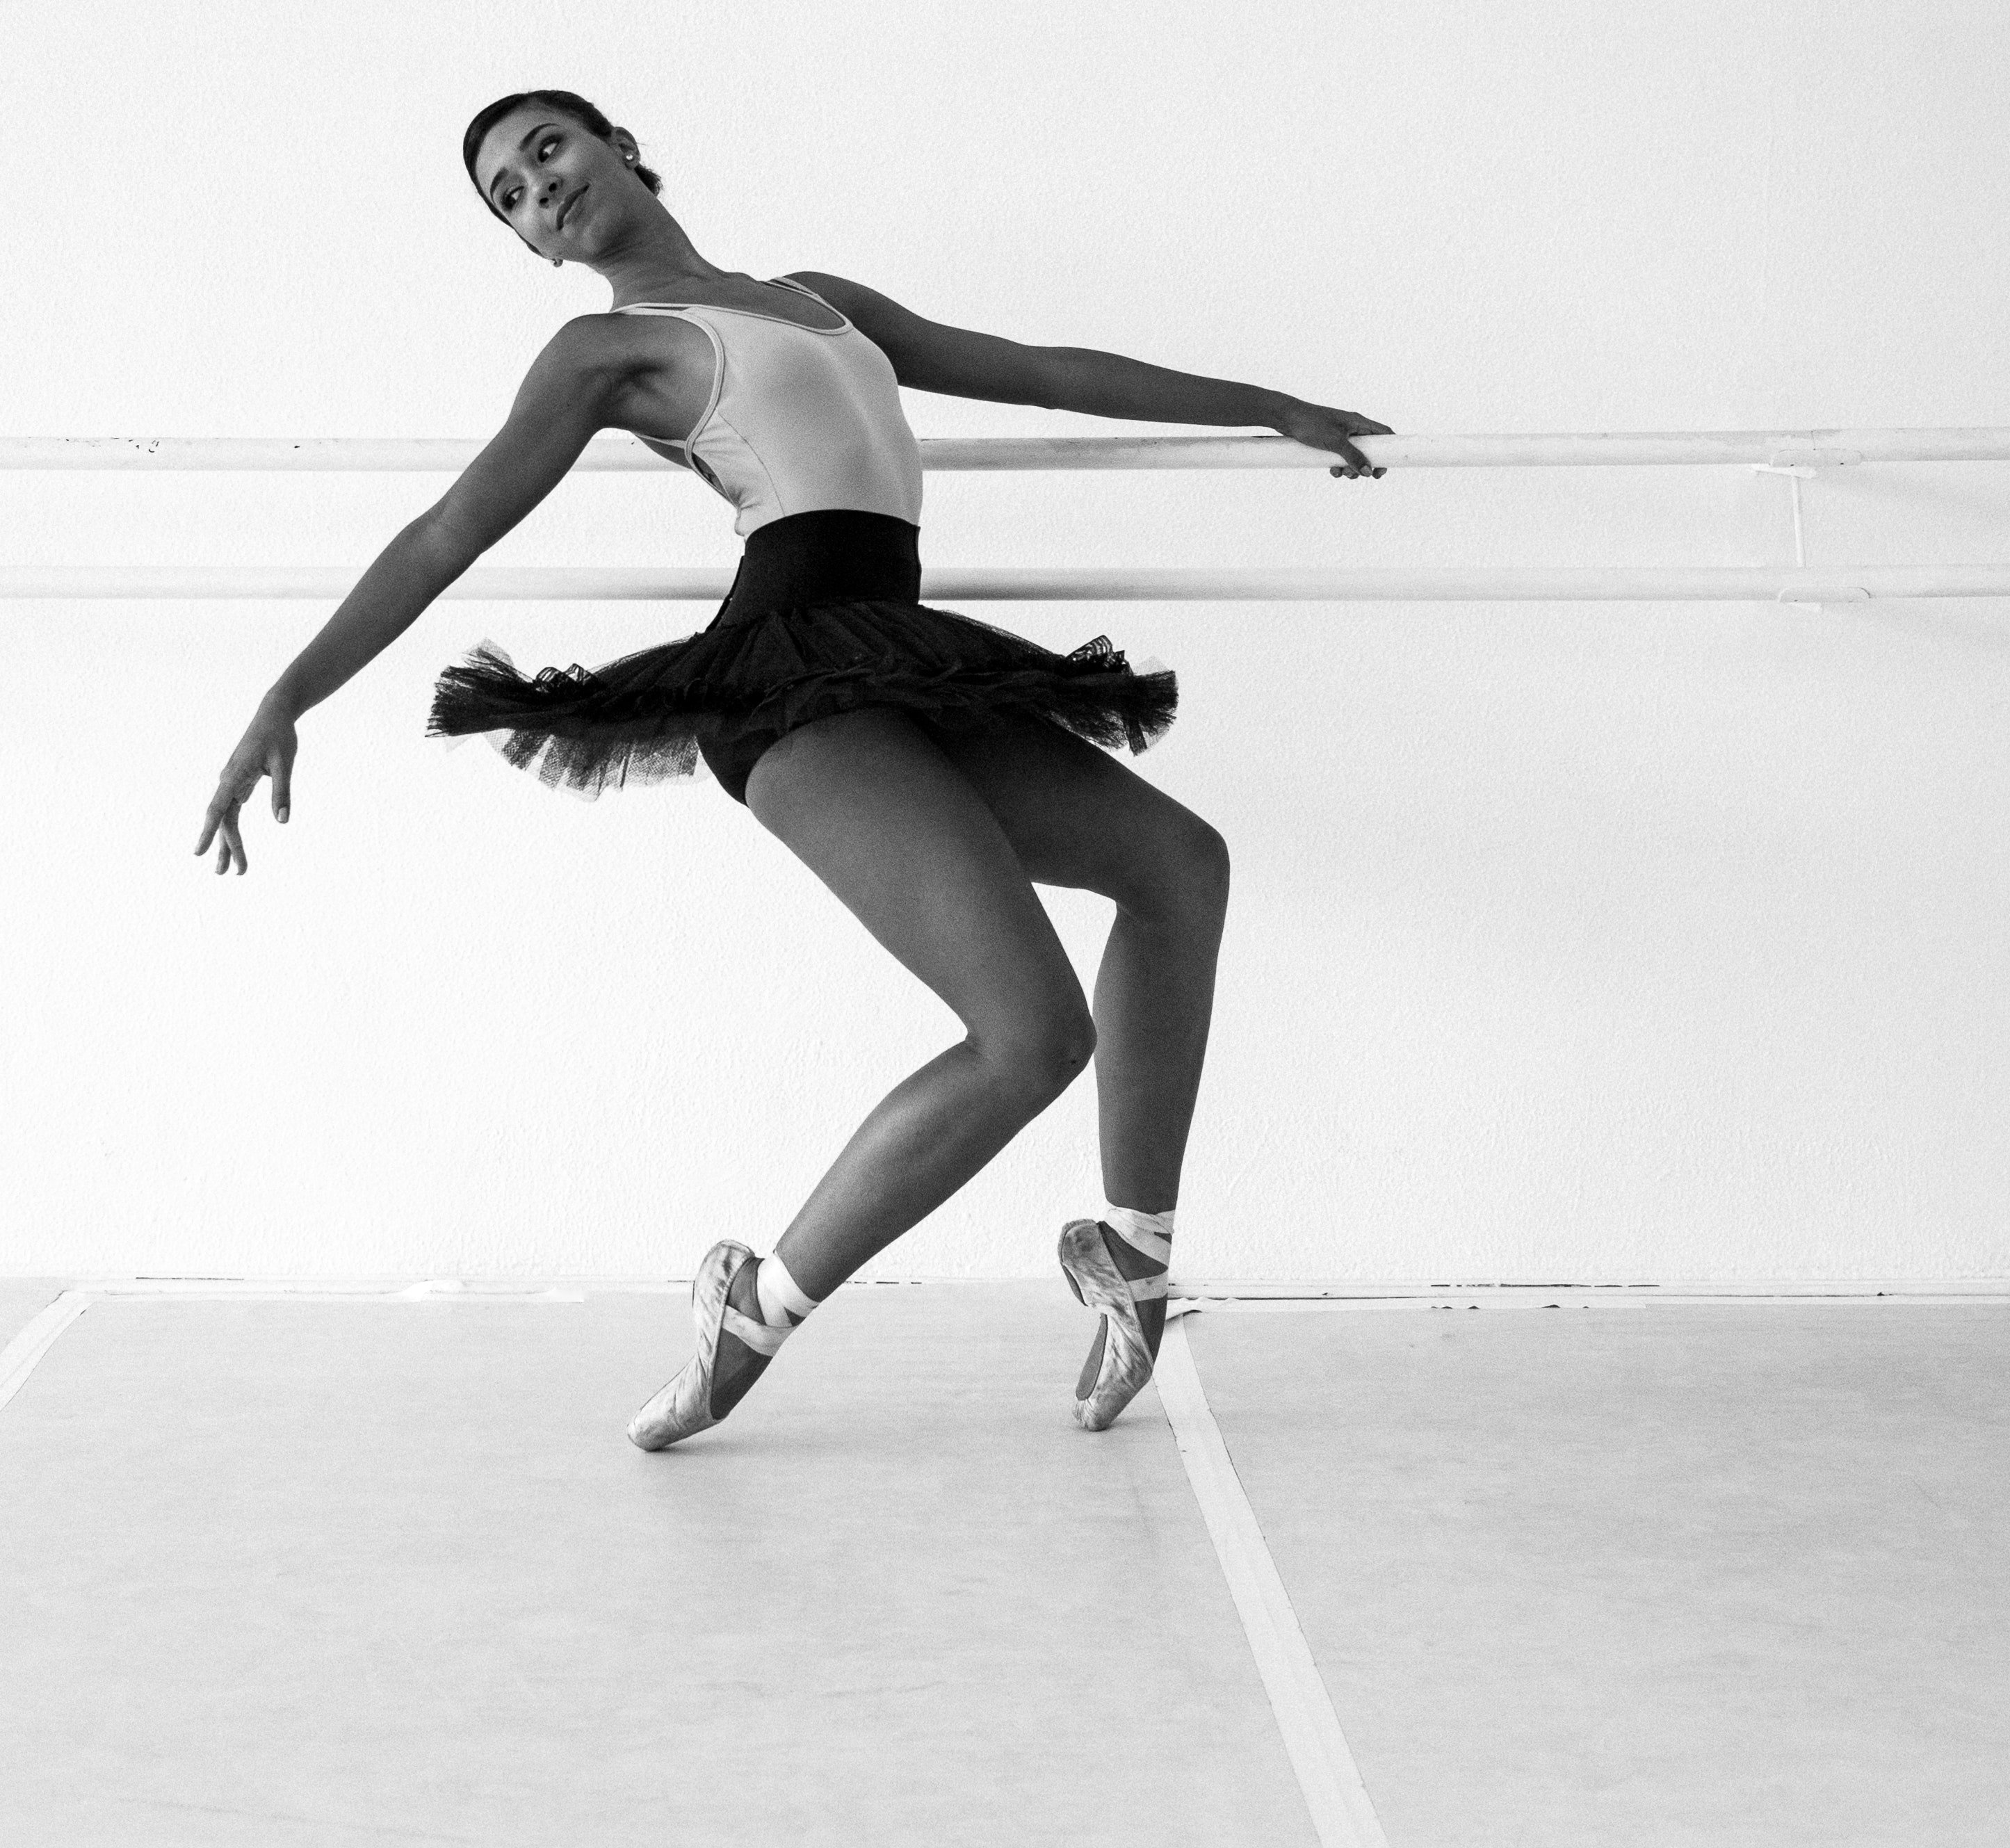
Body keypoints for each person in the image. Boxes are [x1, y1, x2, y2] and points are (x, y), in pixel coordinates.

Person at [197, 90, 1389, 1448]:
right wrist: (287, 694)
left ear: (620, 148)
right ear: (529, 246)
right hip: (789, 686)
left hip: (897, 652)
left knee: (1177, 864)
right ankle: (752, 1311)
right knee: (1030, 1036)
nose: (538, 187)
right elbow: (442, 533)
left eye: (546, 149)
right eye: (509, 196)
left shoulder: (818, 300)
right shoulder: (604, 351)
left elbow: (1039, 370)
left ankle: (1132, 1249)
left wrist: (1268, 408)